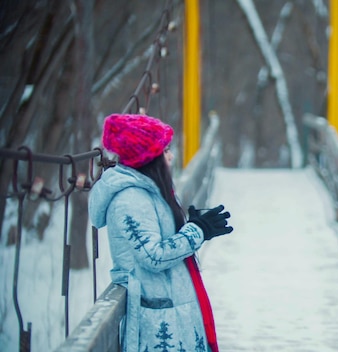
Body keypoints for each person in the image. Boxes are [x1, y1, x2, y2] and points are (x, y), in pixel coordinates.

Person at [88, 113, 233, 352]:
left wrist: (191, 226)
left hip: (169, 313)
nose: (171, 155)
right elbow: (153, 255)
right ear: (148, 159)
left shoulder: (147, 191)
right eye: (165, 150)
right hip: (158, 323)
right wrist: (197, 231)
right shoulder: (130, 199)